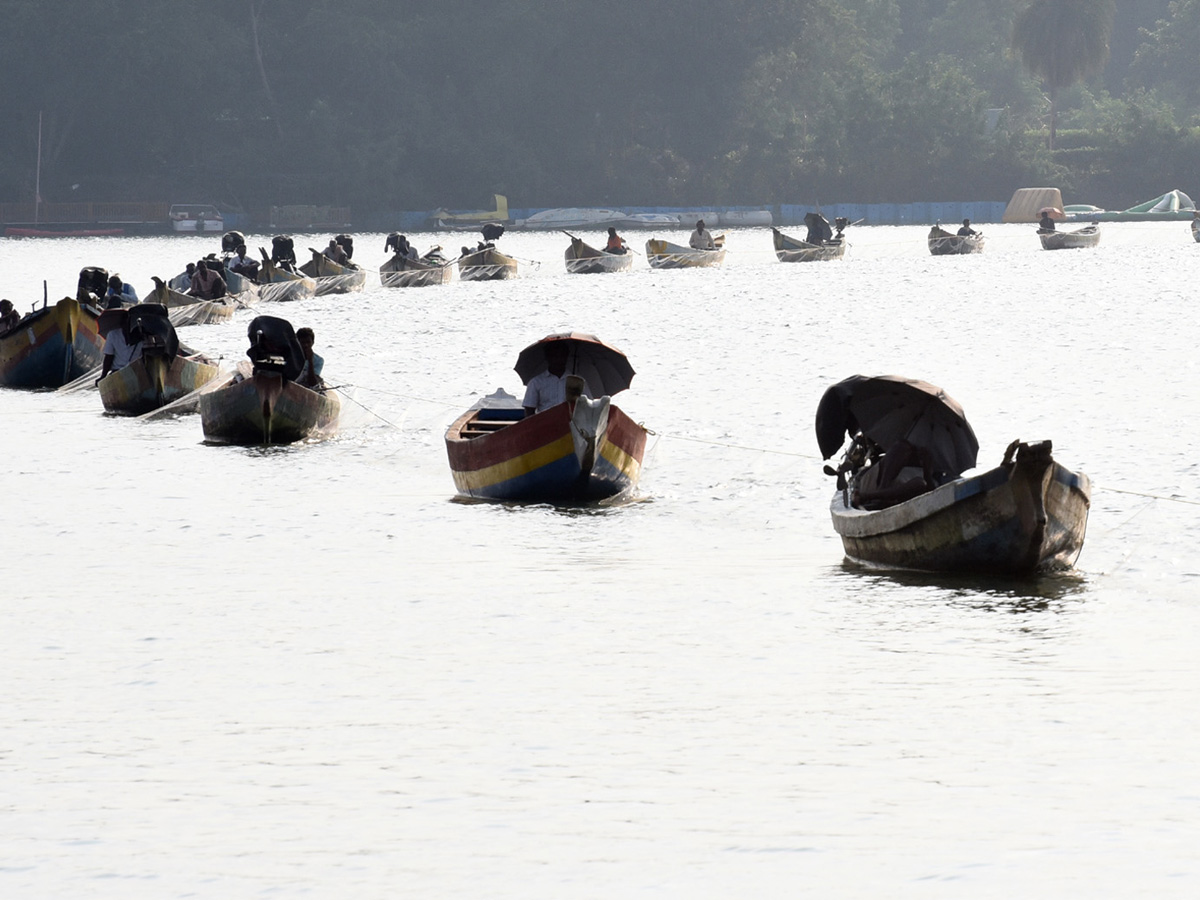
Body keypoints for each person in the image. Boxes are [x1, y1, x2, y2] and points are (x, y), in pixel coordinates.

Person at [522, 342, 591, 416]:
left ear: (566, 357)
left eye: (562, 356)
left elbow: (588, 404)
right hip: (546, 423)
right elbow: (529, 410)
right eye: (554, 356)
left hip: (572, 423)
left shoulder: (577, 381)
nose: (558, 359)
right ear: (547, 357)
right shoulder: (536, 382)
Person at [97, 309, 143, 381]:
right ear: (122, 324)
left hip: (136, 372)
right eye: (126, 324)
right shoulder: (113, 335)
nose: (129, 328)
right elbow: (109, 357)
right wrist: (103, 375)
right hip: (117, 372)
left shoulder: (142, 337)